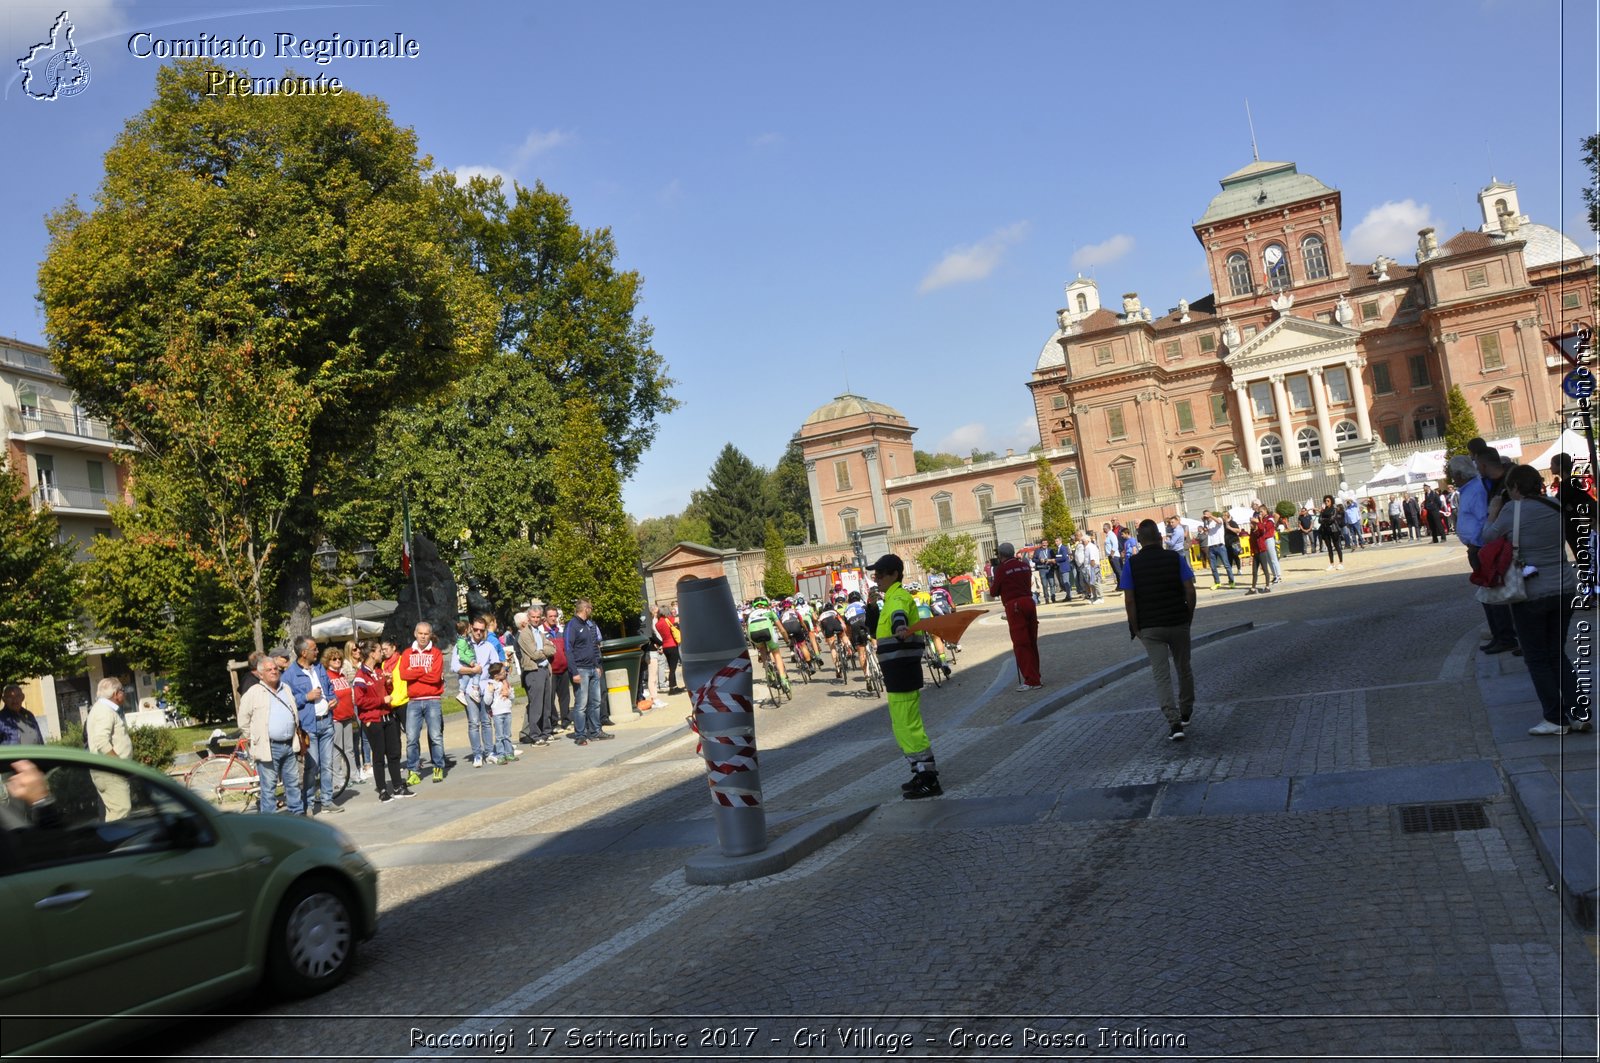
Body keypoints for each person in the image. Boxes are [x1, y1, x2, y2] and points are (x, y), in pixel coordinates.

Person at [1483, 464, 1588, 735]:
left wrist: (1493, 511)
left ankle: (1555, 718)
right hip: (1564, 587)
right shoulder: (1555, 505)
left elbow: (1488, 537)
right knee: (1557, 652)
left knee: (1537, 657)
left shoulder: (1511, 510)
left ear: (1515, 487)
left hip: (1530, 591)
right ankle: (1578, 713)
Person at [868, 554, 942, 799]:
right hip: (896, 668)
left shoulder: (898, 597)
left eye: (880, 574)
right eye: (875, 575)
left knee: (907, 724)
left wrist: (900, 626)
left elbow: (899, 615)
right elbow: (874, 629)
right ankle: (919, 771)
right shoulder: (888, 598)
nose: (876, 578)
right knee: (901, 724)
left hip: (902, 667)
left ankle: (928, 778)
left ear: (894, 575)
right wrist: (870, 606)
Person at [1120, 519, 1198, 741]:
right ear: (1159, 536)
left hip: (1151, 625)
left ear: (1140, 539)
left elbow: (1129, 600)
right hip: (1178, 620)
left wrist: (1136, 627)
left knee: (1161, 674)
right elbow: (1190, 590)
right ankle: (1186, 710)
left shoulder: (1132, 564)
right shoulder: (1175, 558)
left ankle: (1174, 723)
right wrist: (1188, 615)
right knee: (1184, 668)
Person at [1456, 447, 1520, 655]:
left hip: (1482, 546)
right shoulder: (1471, 489)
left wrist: (1477, 543)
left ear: (1458, 475)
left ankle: (1505, 635)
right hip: (1477, 546)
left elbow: (1485, 517)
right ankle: (1499, 634)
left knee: (1493, 593)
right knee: (1486, 593)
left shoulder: (1475, 490)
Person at [236, 657, 305, 815]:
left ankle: (298, 815)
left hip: (289, 744)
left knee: (293, 784)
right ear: (261, 675)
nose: (274, 671)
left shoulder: (285, 688)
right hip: (269, 747)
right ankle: (270, 822)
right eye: (269, 669)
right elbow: (243, 722)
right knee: (269, 788)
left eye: (275, 668)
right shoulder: (253, 692)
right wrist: (256, 738)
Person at [284, 635, 341, 815]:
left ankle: (327, 800)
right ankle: (307, 803)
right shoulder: (290, 675)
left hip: (326, 721)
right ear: (303, 652)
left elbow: (329, 689)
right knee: (312, 766)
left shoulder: (318, 668)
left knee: (328, 764)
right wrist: (306, 697)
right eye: (314, 649)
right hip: (309, 726)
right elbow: (287, 700)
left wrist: (333, 700)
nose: (317, 652)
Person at [352, 639, 411, 800]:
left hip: (388, 716)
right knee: (378, 756)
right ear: (372, 653)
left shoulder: (379, 671)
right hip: (373, 720)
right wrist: (381, 701)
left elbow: (386, 692)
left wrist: (389, 682)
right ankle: (383, 790)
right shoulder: (361, 676)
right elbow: (360, 701)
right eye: (379, 651)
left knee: (394, 753)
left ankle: (398, 787)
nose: (381, 653)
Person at [400, 622, 447, 784]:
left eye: (426, 634)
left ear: (430, 635)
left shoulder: (436, 653)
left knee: (435, 736)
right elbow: (403, 674)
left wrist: (415, 672)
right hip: (413, 701)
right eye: (420, 633)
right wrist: (424, 670)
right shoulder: (407, 653)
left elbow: (435, 678)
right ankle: (413, 771)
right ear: (415, 634)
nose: (423, 636)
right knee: (411, 738)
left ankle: (438, 766)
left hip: (433, 700)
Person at [991, 542, 1043, 691]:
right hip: (1029, 601)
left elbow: (994, 591)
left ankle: (1032, 680)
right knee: (1032, 641)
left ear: (1001, 555)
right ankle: (1036, 674)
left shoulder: (1002, 569)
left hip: (1014, 606)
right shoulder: (1024, 565)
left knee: (1021, 644)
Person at [84, 677, 134, 819]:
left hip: (108, 771)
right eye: (122, 690)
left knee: (116, 812)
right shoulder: (104, 711)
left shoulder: (103, 709)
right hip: (110, 771)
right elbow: (101, 742)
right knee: (121, 811)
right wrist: (119, 765)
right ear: (116, 693)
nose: (124, 694)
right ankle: (117, 841)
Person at [564, 599, 611, 746]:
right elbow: (568, 649)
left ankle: (596, 730)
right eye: (590, 608)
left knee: (595, 701)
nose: (591, 610)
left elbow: (593, 646)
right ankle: (580, 734)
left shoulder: (588, 625)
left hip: (592, 667)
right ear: (585, 609)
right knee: (581, 704)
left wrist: (597, 665)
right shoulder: (572, 625)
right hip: (581, 669)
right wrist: (574, 672)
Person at [321, 645, 366, 785]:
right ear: (327, 661)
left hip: (348, 715)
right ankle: (338, 779)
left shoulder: (342, 675)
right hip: (335, 718)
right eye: (333, 659)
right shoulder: (327, 676)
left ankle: (353, 774)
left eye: (339, 658)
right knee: (337, 750)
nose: (337, 661)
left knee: (350, 748)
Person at [516, 609, 555, 746]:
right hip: (533, 671)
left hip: (545, 669)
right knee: (536, 705)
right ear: (528, 617)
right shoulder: (524, 635)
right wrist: (545, 651)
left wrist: (543, 650)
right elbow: (534, 654)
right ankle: (535, 734)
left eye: (538, 617)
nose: (536, 619)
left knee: (546, 704)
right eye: (533, 617)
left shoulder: (539, 632)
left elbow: (553, 648)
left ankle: (546, 732)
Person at [745, 596, 791, 694]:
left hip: (753, 633)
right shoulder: (770, 612)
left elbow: (747, 630)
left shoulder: (750, 615)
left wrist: (755, 645)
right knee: (776, 654)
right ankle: (783, 680)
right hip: (767, 631)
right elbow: (782, 630)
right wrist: (787, 640)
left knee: (762, 651)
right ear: (766, 605)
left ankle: (768, 671)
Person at [542, 606, 572, 731]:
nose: (554, 618)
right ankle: (554, 723)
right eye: (551, 616)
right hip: (551, 670)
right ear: (546, 617)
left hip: (564, 669)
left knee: (565, 696)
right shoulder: (542, 632)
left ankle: (566, 720)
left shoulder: (560, 631)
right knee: (550, 698)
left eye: (555, 616)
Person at [485, 662, 519, 763]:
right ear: (496, 675)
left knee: (507, 734)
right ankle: (501, 755)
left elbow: (512, 698)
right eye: (503, 672)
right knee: (499, 736)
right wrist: (490, 691)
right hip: (497, 713)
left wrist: (509, 693)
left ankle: (509, 753)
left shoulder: (506, 683)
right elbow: (487, 701)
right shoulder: (492, 685)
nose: (505, 673)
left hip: (507, 711)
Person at [1201, 511, 1231, 589]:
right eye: (1205, 515)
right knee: (1213, 567)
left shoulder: (1218, 519)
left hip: (1220, 546)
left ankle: (1231, 581)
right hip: (1211, 546)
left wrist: (1210, 516)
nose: (1206, 516)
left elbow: (1219, 522)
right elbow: (1207, 533)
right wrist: (1205, 528)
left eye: (1207, 514)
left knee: (1226, 565)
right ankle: (1217, 582)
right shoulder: (1207, 523)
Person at [1245, 513, 1275, 595]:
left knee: (1265, 569)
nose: (1250, 525)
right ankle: (1253, 588)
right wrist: (1252, 553)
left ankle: (1267, 586)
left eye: (1251, 524)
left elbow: (1262, 529)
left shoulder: (1259, 531)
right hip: (1256, 553)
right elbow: (1251, 543)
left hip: (1262, 552)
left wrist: (1258, 522)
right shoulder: (1252, 532)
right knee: (1254, 571)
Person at [1317, 494, 1345, 570]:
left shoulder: (1334, 509)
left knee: (1337, 546)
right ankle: (1331, 563)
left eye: (1328, 501)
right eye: (1325, 501)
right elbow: (1319, 520)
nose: (1326, 502)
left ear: (1331, 501)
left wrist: (1324, 520)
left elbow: (1332, 519)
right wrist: (1323, 515)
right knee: (1329, 547)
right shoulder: (1323, 510)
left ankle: (1341, 563)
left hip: (1333, 530)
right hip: (1325, 530)